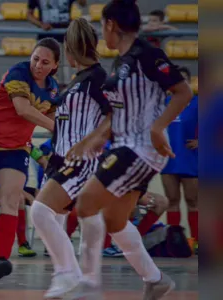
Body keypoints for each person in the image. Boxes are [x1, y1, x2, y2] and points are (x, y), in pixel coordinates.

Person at [64, 0, 193, 298]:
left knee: (84, 203)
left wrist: (158, 127)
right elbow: (120, 112)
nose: (101, 33)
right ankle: (155, 279)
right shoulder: (120, 63)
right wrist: (92, 139)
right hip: (126, 146)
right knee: (114, 220)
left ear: (111, 24)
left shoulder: (147, 54)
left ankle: (88, 286)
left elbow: (183, 92)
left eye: (102, 26)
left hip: (140, 149)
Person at [29, 18, 113, 298]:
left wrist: (92, 141)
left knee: (40, 211)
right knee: (81, 219)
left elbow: (115, 115)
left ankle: (68, 274)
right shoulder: (78, 81)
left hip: (79, 162)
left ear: (70, 49)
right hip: (60, 158)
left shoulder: (98, 78)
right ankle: (89, 280)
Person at [0, 37, 60, 284]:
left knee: (11, 200)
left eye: (45, 62)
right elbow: (23, 110)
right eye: (36, 59)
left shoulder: (52, 89)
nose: (38, 65)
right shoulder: (18, 72)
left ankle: (1, 258)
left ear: (55, 66)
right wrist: (57, 127)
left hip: (16, 149)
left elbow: (54, 115)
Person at [161, 66, 198, 252]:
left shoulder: (199, 103)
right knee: (171, 200)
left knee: (193, 201)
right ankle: (174, 242)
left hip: (191, 160)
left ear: (189, 82)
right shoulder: (164, 103)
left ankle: (197, 241)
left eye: (184, 79)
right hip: (168, 160)